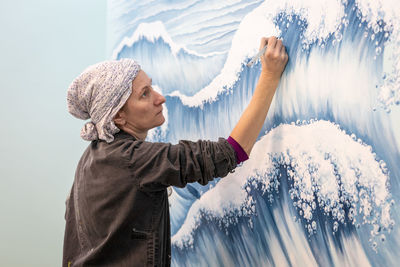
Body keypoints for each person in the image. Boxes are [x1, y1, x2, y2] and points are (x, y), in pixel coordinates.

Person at [63, 37, 288, 266]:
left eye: (151, 87)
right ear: (118, 116)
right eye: (144, 94)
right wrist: (270, 77)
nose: (159, 98)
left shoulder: (90, 158)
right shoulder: (133, 159)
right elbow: (229, 153)